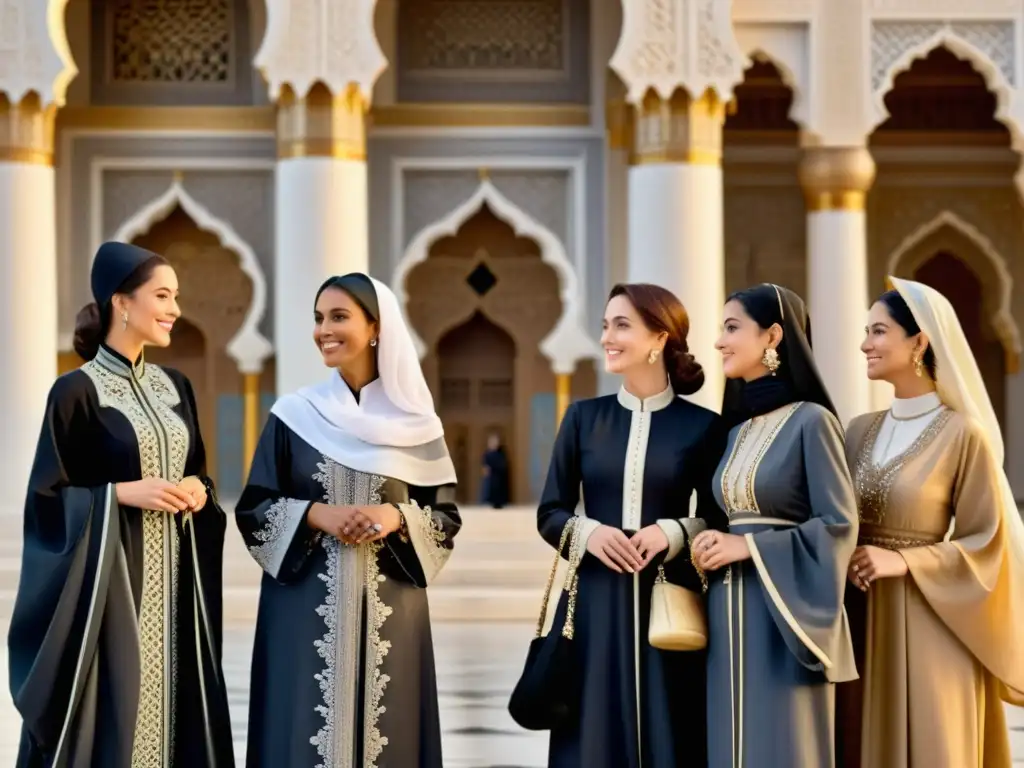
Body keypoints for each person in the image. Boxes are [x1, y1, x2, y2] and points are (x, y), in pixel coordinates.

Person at [7, 241, 234, 767]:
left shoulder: (175, 386)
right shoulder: (76, 393)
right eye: (162, 294)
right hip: (111, 590)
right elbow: (45, 502)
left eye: (176, 295)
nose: (175, 308)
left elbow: (195, 468)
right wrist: (120, 494)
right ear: (121, 303)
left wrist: (200, 490)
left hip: (176, 588)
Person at [236, 273, 460, 768]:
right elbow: (254, 509)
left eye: (339, 317)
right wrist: (317, 514)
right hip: (302, 612)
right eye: (318, 318)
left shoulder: (417, 426)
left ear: (377, 327)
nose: (323, 330)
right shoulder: (295, 415)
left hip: (391, 615)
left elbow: (445, 520)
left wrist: (396, 516)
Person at [536, 282, 725, 768]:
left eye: (621, 326)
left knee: (671, 725)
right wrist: (590, 533)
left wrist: (673, 532)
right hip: (592, 601)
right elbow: (550, 512)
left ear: (659, 338)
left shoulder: (702, 427)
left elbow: (718, 517)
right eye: (605, 326)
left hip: (669, 602)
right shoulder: (582, 419)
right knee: (590, 732)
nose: (606, 338)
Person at [838, 278, 1024, 768]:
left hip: (931, 621)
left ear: (919, 341)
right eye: (865, 332)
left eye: (878, 332)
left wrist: (902, 560)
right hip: (859, 620)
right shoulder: (858, 431)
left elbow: (988, 542)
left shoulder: (964, 435)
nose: (864, 344)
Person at [692, 283, 858, 768]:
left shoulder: (812, 422)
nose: (720, 341)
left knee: (784, 744)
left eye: (731, 327)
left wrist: (749, 548)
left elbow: (838, 524)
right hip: (726, 611)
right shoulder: (737, 431)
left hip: (788, 615)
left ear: (773, 336)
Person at [480, 432, 510, 508]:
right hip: (490, 479)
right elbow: (484, 466)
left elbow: (503, 466)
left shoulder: (501, 454)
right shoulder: (487, 454)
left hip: (499, 479)